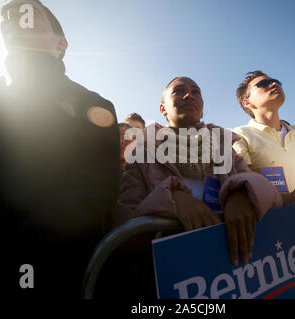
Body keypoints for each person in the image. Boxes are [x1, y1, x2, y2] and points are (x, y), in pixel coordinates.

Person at [0, 0, 119, 297]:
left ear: (60, 42)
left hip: (50, 273)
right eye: (5, 15)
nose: (13, 17)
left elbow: (94, 190)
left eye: (28, 11)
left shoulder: (93, 105)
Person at [114, 76, 282, 298]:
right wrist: (171, 199)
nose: (189, 95)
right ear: (162, 108)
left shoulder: (225, 147)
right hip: (177, 283)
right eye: (179, 91)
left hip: (237, 275)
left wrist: (242, 191)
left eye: (196, 91)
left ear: (202, 109)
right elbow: (125, 226)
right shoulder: (141, 155)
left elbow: (265, 188)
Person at [232, 70, 295, 256]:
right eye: (263, 84)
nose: (273, 83)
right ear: (248, 102)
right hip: (275, 249)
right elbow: (240, 182)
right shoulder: (239, 135)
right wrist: (290, 200)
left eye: (276, 81)